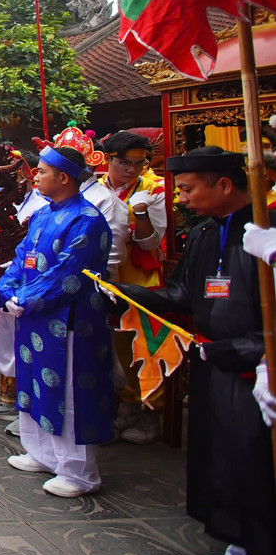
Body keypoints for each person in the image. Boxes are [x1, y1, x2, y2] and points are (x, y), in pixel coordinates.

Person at [121, 147, 276, 555]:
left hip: (257, 368)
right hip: (213, 361)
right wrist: (129, 295)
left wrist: (249, 348)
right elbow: (186, 292)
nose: (182, 200)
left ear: (224, 184)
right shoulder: (208, 233)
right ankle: (241, 544)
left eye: (187, 189)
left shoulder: (267, 232)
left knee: (257, 461)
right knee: (218, 453)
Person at [0, 145, 113, 498]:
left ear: (64, 178)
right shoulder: (44, 215)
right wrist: (8, 290)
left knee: (68, 391)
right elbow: (20, 258)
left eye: (42, 171)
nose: (36, 175)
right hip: (33, 316)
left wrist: (25, 300)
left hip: (68, 319)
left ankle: (78, 472)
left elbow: (69, 273)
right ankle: (42, 453)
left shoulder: (87, 220)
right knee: (33, 381)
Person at [97, 130, 169, 445]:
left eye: (139, 163)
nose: (132, 170)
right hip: (105, 275)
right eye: (125, 163)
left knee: (144, 343)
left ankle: (153, 410)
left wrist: (138, 212)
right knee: (115, 345)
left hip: (141, 277)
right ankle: (125, 403)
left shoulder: (153, 189)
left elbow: (151, 240)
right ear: (108, 159)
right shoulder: (97, 188)